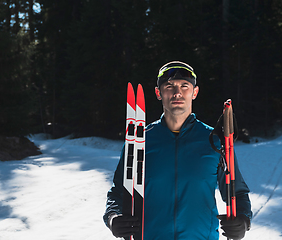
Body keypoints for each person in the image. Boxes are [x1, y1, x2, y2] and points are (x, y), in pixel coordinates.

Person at [103, 61, 252, 240]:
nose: (177, 92)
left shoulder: (215, 141)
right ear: (158, 93)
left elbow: (237, 192)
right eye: (169, 86)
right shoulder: (139, 141)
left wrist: (243, 220)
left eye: (184, 86)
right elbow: (119, 192)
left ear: (194, 92)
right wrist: (113, 219)